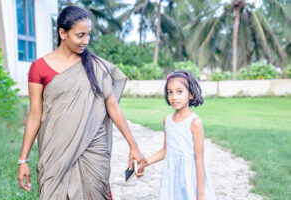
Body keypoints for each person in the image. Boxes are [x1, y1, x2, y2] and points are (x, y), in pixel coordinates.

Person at [17, 6, 146, 200]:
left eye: (88, 35)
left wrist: (133, 146)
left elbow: (112, 106)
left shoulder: (96, 66)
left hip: (93, 148)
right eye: (80, 35)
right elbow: (35, 114)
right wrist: (23, 160)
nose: (86, 41)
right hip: (55, 150)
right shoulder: (39, 68)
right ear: (63, 33)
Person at [145, 70, 216, 200]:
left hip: (189, 177)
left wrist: (200, 194)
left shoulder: (195, 122)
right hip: (171, 176)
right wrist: (146, 162)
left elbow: (199, 159)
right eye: (170, 92)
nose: (174, 97)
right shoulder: (167, 120)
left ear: (191, 94)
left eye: (179, 92)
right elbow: (166, 150)